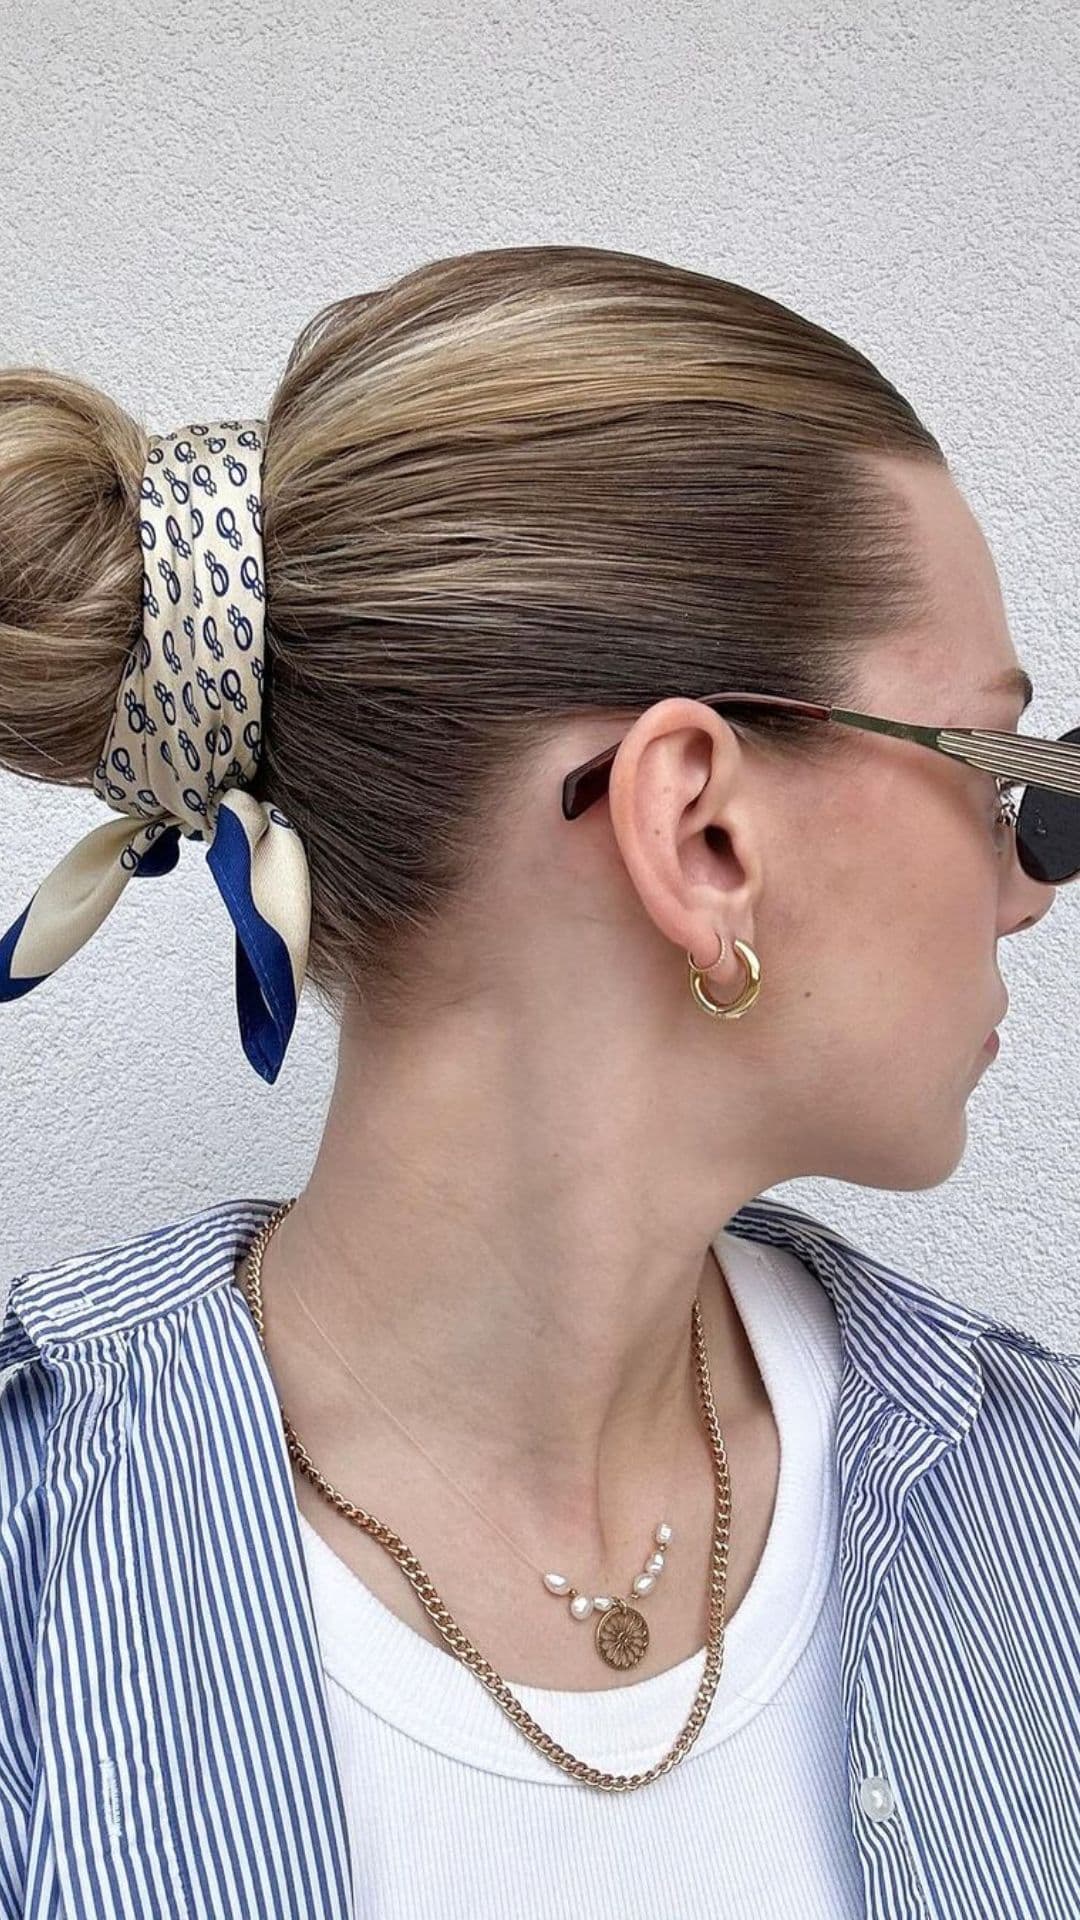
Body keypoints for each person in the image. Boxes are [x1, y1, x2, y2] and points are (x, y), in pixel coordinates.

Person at [0, 243, 1077, 1920]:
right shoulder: (28, 1549)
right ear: (701, 834)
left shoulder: (1043, 1510)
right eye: (1010, 773)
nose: (1036, 877)